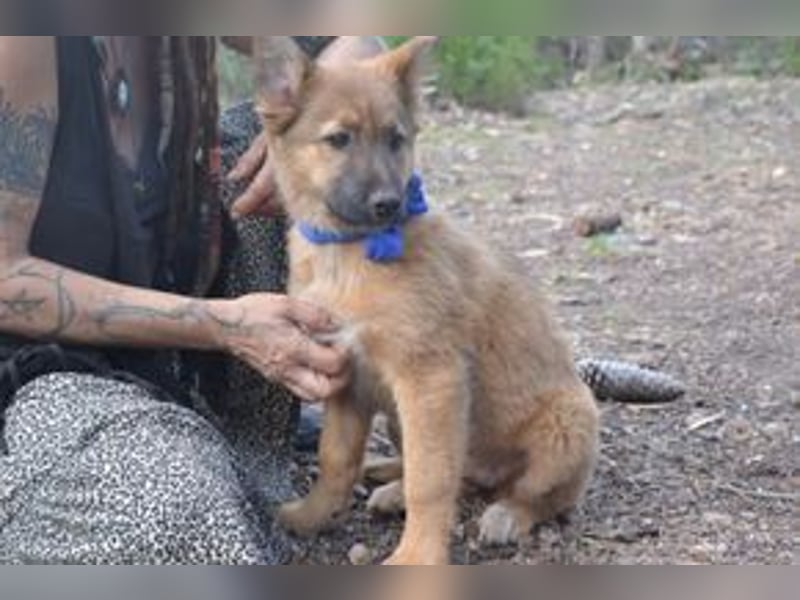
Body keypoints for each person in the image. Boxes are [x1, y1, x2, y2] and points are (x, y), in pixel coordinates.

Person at [0, 36, 383, 565]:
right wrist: (223, 325)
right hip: (28, 380)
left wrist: (309, 119)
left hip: (154, 345)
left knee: (313, 136)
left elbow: (359, 38)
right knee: (175, 510)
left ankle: (243, 459)